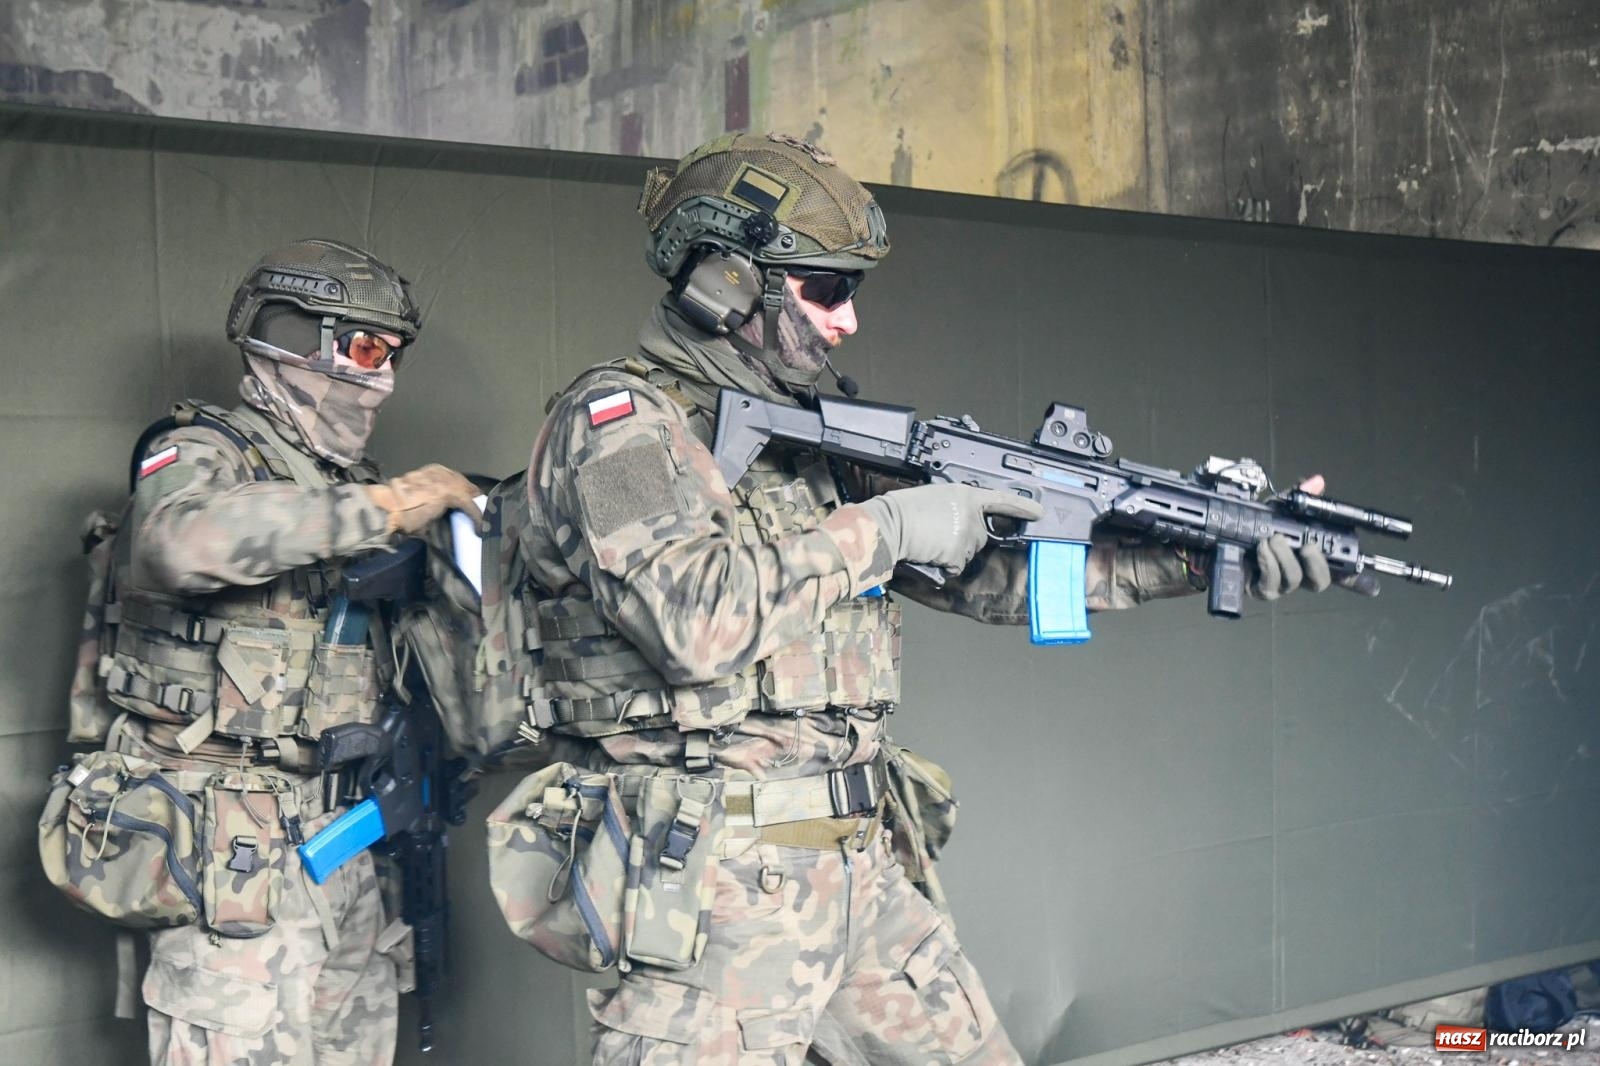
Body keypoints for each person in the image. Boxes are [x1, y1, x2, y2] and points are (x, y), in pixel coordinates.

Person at [517, 133, 1332, 1064]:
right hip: (712, 897)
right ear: (732, 284)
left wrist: (1195, 557)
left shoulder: (812, 438)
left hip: (858, 871)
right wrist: (896, 526)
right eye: (829, 289)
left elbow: (991, 582)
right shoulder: (615, 430)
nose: (847, 322)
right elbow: (688, 620)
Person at [101, 238, 479, 1064]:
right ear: (296, 338)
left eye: (393, 355)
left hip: (347, 839)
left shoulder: (342, 481)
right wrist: (389, 504)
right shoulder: (200, 451)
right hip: (234, 855)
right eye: (366, 350)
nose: (381, 379)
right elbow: (179, 543)